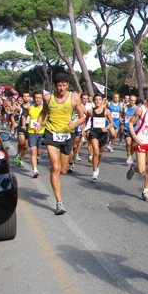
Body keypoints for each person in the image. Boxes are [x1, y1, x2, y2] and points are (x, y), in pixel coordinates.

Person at [35, 73, 85, 215]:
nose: (61, 88)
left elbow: (82, 117)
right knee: (55, 167)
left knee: (62, 170)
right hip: (51, 134)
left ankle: (56, 172)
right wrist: (38, 124)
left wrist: (75, 123)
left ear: (67, 85)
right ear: (55, 86)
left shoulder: (74, 98)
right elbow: (43, 113)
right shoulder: (48, 98)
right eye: (59, 86)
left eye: (64, 85)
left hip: (67, 136)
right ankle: (59, 202)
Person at [84, 94, 114, 180]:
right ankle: (94, 172)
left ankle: (97, 166)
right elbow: (85, 121)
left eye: (99, 99)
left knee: (100, 154)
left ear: (102, 101)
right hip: (94, 133)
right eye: (96, 99)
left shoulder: (106, 111)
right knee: (96, 152)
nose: (97, 101)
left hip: (103, 133)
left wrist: (106, 128)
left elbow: (111, 122)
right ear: (93, 101)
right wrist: (83, 130)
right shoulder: (90, 111)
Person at [26, 91, 45, 179]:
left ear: (42, 99)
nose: (37, 99)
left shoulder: (45, 108)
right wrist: (23, 124)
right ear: (33, 99)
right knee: (33, 150)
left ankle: (37, 158)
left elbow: (48, 119)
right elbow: (24, 116)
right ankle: (35, 170)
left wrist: (44, 123)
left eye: (39, 98)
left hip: (42, 132)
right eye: (36, 98)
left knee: (39, 152)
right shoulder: (30, 108)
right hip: (31, 132)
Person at [13, 92, 31, 167]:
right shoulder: (19, 107)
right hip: (21, 126)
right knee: (21, 143)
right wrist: (14, 122)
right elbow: (12, 116)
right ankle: (18, 152)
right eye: (24, 96)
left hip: (29, 127)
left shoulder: (33, 107)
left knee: (26, 146)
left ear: (30, 97)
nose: (26, 97)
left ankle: (21, 158)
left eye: (27, 96)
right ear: (22, 97)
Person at [122, 95, 139, 165]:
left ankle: (131, 155)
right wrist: (122, 118)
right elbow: (122, 115)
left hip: (135, 128)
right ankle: (128, 155)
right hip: (126, 127)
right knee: (128, 142)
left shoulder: (138, 108)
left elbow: (140, 118)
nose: (132, 102)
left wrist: (135, 121)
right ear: (129, 100)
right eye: (131, 100)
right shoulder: (125, 107)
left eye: (134, 100)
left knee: (132, 144)